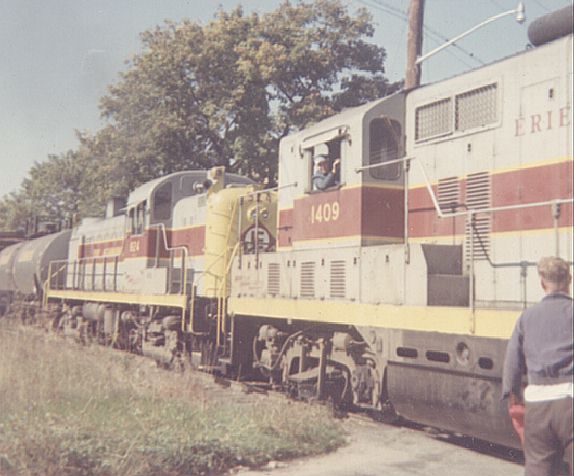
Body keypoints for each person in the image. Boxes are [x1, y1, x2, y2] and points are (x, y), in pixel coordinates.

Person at [502, 256, 573, 476]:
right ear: (569, 280)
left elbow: (512, 361)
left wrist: (513, 395)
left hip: (538, 405)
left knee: (538, 469)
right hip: (571, 402)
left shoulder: (526, 317)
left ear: (542, 283)